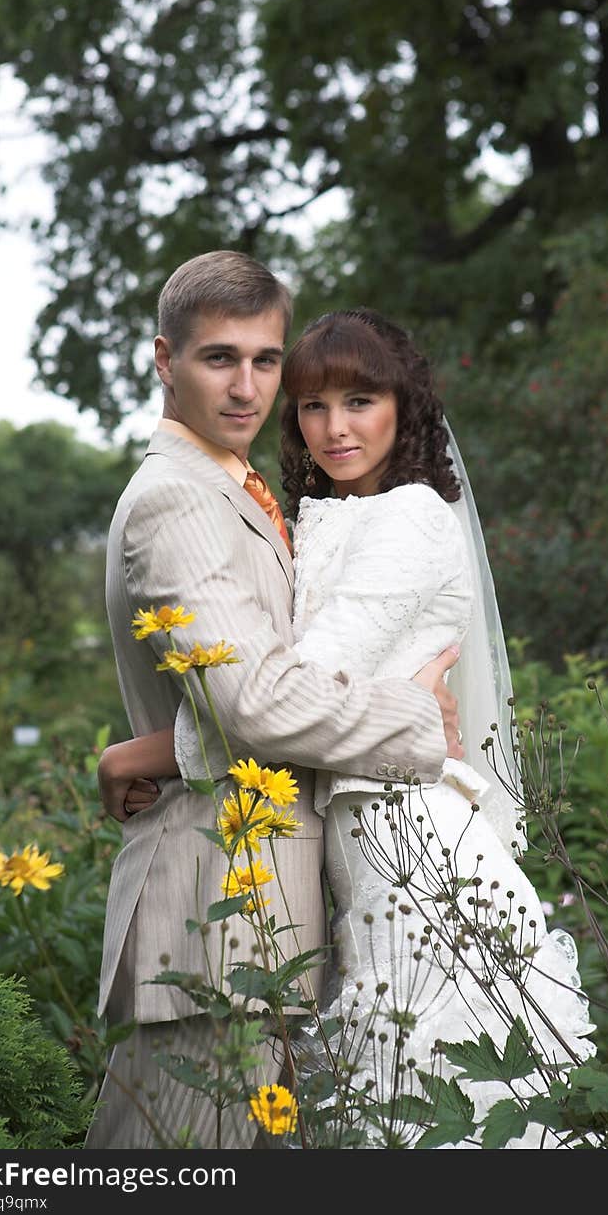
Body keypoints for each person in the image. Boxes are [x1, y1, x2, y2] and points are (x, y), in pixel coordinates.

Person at [106, 306, 596, 1148]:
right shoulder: (322, 516)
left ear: (404, 408)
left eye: (360, 402)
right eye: (313, 405)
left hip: (417, 847)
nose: (334, 428)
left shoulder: (410, 519)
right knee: (385, 1111)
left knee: (447, 1104)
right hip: (358, 852)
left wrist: (140, 754)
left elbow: (283, 694)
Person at [84, 253, 463, 1150]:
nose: (248, 386)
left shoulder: (245, 491)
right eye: (220, 358)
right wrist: (419, 722)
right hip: (216, 901)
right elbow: (254, 700)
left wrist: (138, 753)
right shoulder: (178, 500)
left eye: (265, 360)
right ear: (162, 359)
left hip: (271, 909)